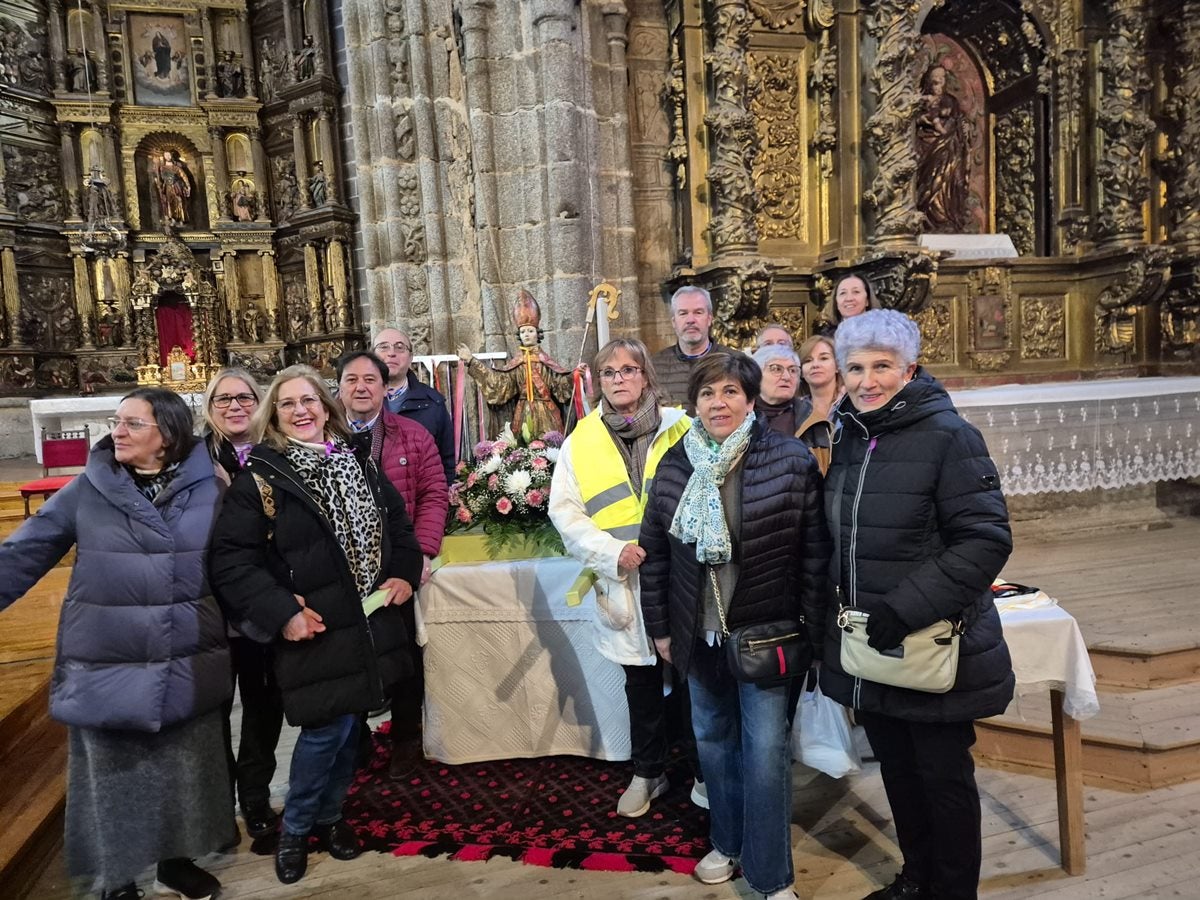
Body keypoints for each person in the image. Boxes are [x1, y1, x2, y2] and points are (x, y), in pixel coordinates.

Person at [0, 388, 235, 900]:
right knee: (113, 776)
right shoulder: (89, 487)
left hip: (185, 650)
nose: (116, 432)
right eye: (117, 421)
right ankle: (116, 876)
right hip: (107, 653)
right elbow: (25, 550)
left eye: (132, 424)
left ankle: (175, 862)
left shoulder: (211, 488)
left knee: (183, 770)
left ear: (167, 436)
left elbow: (237, 566)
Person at [820, 310, 1014, 900]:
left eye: (882, 366)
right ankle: (917, 879)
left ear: (909, 369)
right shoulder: (851, 433)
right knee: (900, 776)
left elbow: (985, 540)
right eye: (855, 367)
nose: (867, 379)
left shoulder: (950, 436)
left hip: (930, 642)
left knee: (942, 781)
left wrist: (901, 611)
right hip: (870, 645)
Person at [208, 365, 423, 885]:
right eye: (288, 404)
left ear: (327, 407)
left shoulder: (356, 460)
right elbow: (231, 562)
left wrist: (402, 573)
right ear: (274, 415)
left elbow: (396, 523)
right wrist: (282, 612)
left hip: (370, 620)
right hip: (318, 625)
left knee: (352, 730)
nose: (301, 411)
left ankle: (330, 818)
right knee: (326, 730)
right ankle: (297, 829)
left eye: (310, 401)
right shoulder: (262, 476)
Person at [639, 353, 830, 900]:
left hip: (766, 634)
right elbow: (654, 555)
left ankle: (771, 878)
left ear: (750, 398)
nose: (717, 403)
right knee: (714, 744)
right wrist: (661, 629)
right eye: (707, 394)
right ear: (693, 403)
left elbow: (814, 554)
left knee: (766, 756)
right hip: (696, 635)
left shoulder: (788, 459)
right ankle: (726, 842)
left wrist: (815, 637)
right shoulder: (676, 463)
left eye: (729, 392)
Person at [548, 338, 704, 818]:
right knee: (641, 684)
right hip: (625, 581)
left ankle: (702, 770)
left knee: (692, 680)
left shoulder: (682, 427)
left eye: (629, 370)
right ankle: (648, 771)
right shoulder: (581, 439)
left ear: (645, 376)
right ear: (599, 381)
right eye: (610, 372)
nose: (620, 379)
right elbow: (565, 511)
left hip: (682, 579)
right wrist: (613, 551)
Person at [336, 350, 448, 778]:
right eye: (351, 380)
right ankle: (357, 739)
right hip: (343, 568)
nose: (361, 387)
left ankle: (405, 739)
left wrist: (419, 553)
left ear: (385, 388)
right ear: (340, 388)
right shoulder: (324, 438)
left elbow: (435, 494)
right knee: (349, 656)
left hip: (398, 565)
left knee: (402, 657)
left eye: (370, 380)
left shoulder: (414, 435)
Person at [201, 367, 286, 842]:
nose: (235, 406)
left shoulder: (277, 455)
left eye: (245, 397)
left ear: (261, 402)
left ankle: (255, 797)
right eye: (223, 399)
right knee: (213, 712)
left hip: (261, 601)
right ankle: (216, 809)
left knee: (262, 704)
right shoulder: (192, 461)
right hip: (210, 604)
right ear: (210, 409)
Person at [457, 289, 577, 437]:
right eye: (523, 332)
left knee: (551, 447)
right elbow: (499, 384)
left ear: (538, 334)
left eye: (530, 331)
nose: (526, 335)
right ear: (519, 336)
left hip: (547, 414)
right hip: (523, 415)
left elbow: (561, 385)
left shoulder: (546, 362)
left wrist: (575, 376)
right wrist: (472, 361)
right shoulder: (517, 364)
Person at [373, 326, 457, 485]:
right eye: (383, 347)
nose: (391, 353)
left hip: (420, 500)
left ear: (411, 357)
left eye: (400, 347)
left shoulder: (432, 403)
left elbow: (447, 463)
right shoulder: (358, 402)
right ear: (371, 356)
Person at [651, 286, 742, 413]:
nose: (691, 320)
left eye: (698, 312)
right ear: (673, 321)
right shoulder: (654, 367)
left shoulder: (738, 361)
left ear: (709, 319)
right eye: (683, 313)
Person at [916, 64, 971, 232]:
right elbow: (912, 122)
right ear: (928, 82)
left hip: (950, 148)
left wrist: (964, 128)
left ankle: (949, 217)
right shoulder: (920, 100)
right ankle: (929, 218)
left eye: (942, 79)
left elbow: (959, 121)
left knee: (951, 180)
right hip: (928, 148)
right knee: (929, 182)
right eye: (935, 81)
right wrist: (921, 120)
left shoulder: (950, 101)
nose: (938, 83)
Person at [794, 334, 843, 476]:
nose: (815, 365)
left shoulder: (851, 404)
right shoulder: (796, 411)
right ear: (801, 371)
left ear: (837, 366)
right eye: (808, 360)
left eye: (824, 358)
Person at [750, 344, 803, 438]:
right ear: (756, 374)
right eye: (776, 369)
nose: (787, 377)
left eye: (793, 370)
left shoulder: (810, 418)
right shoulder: (741, 413)